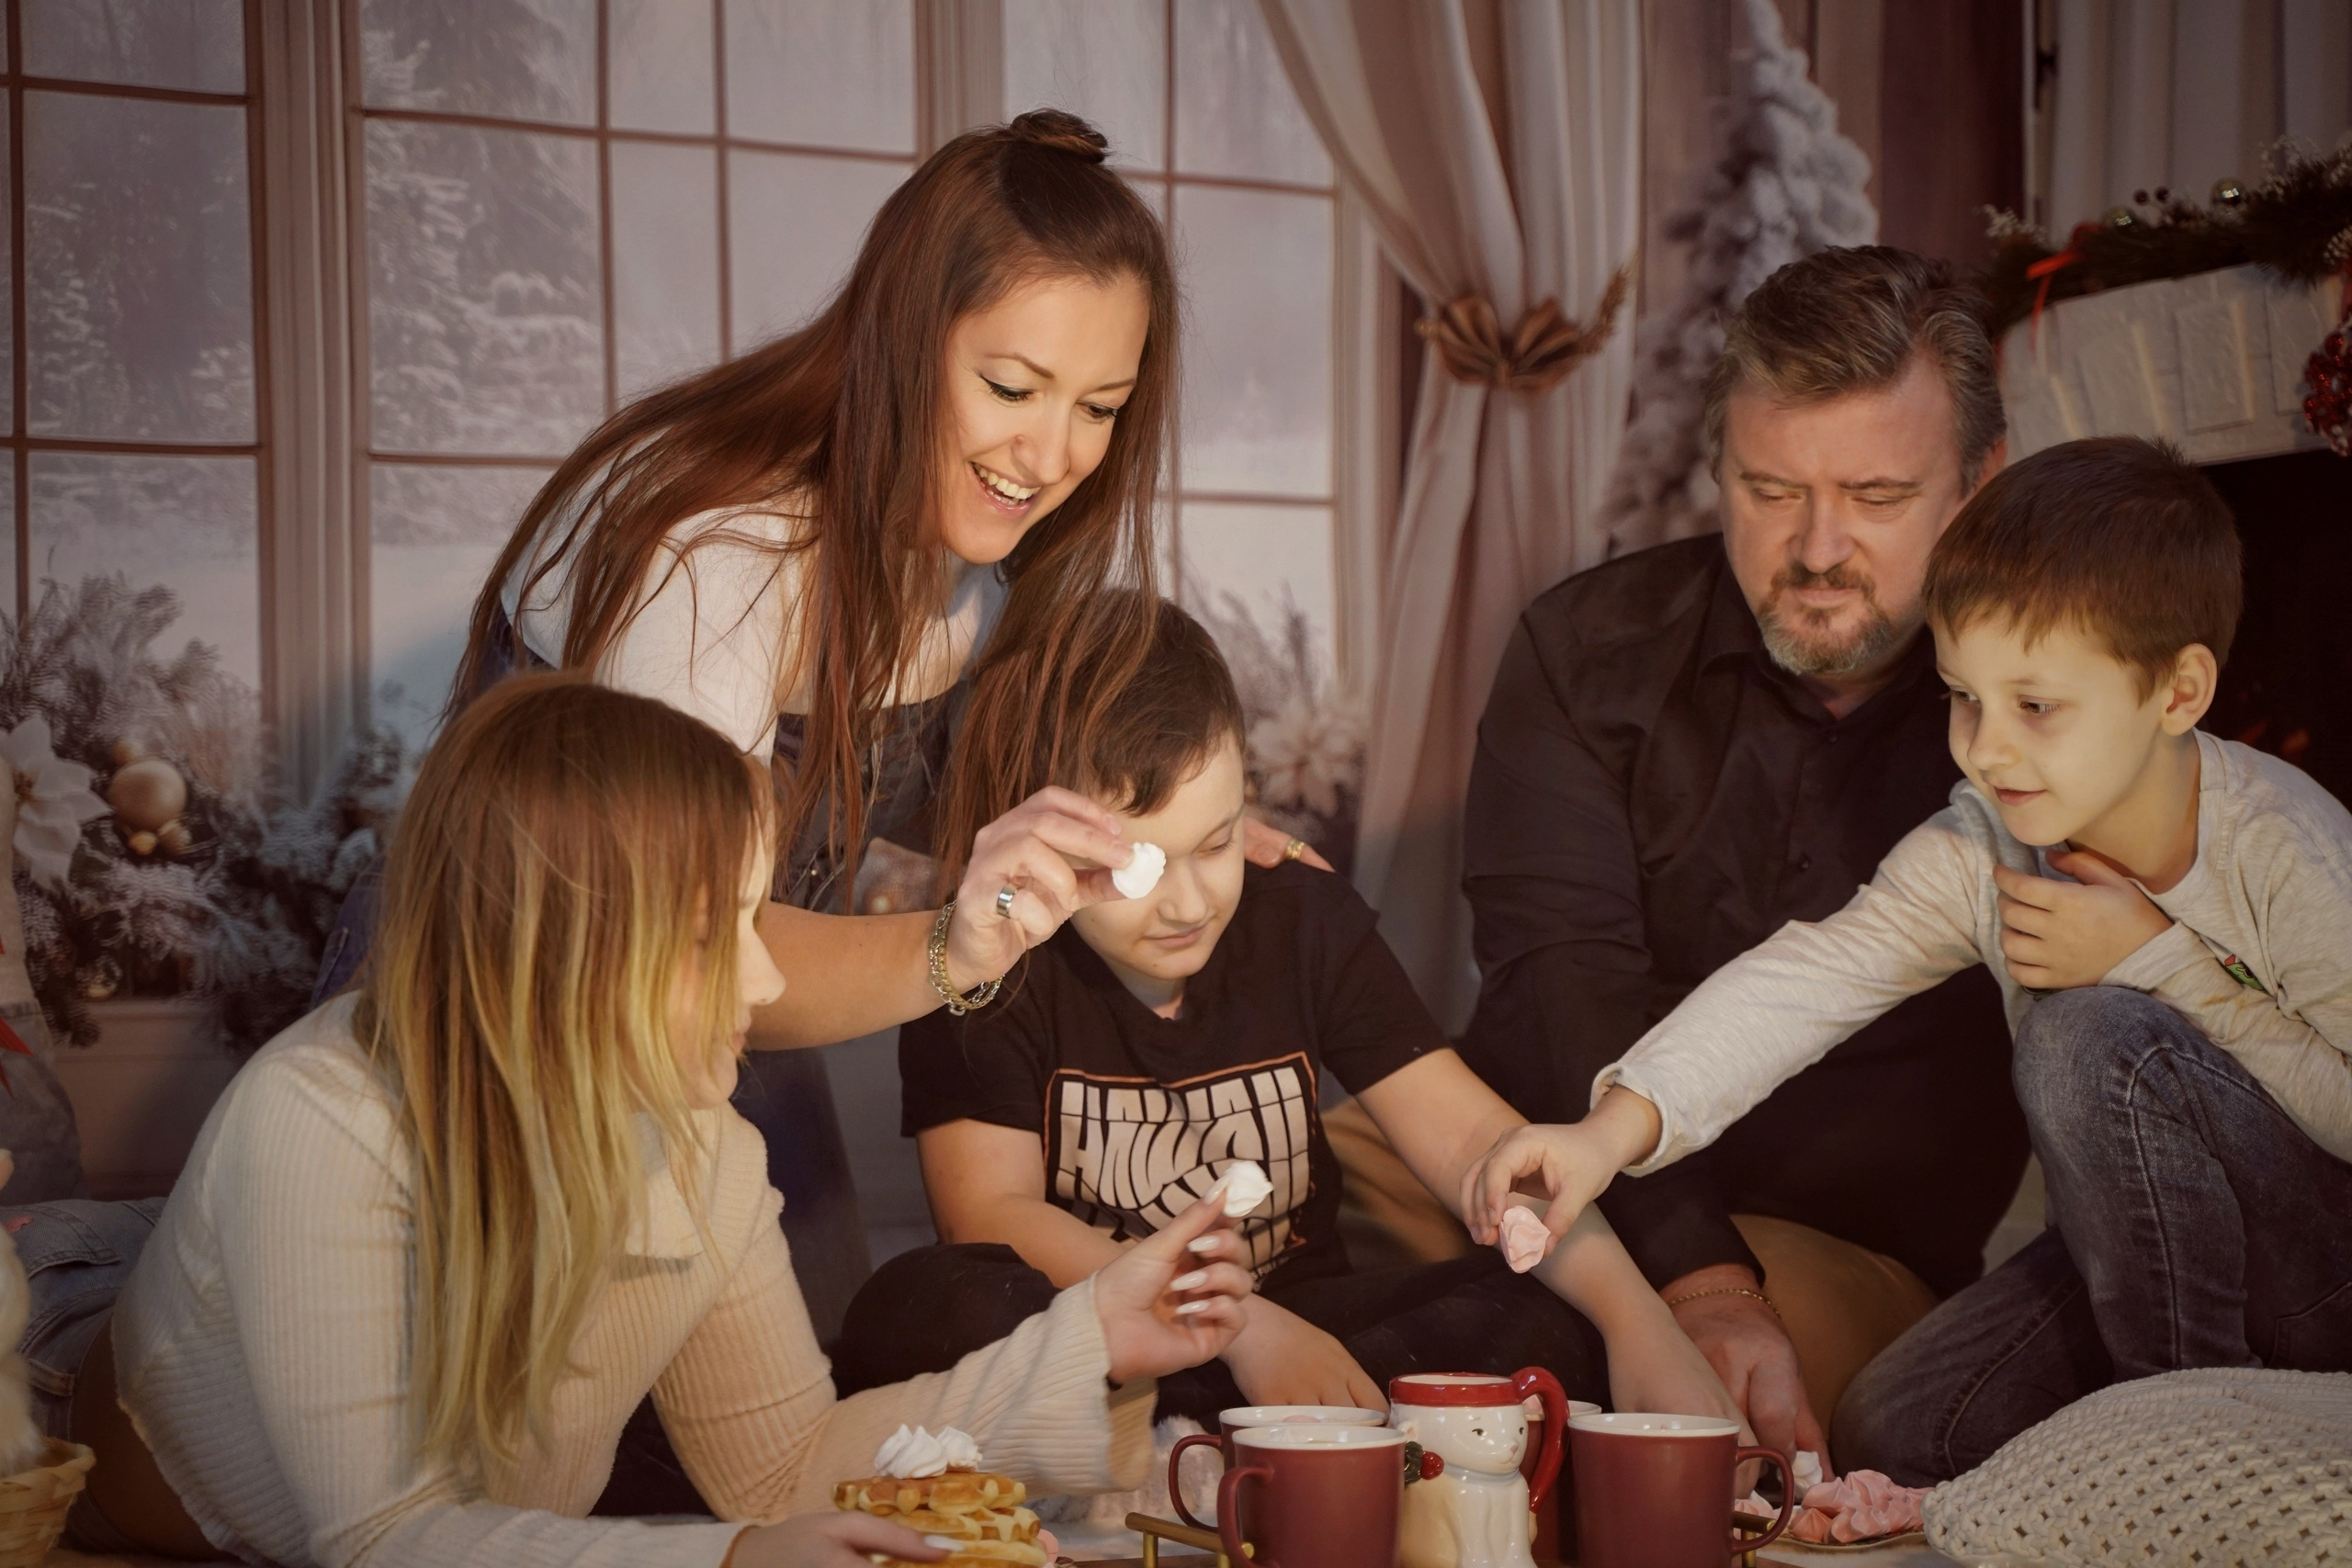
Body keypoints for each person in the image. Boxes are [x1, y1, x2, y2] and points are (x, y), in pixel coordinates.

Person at [21, 674, 1257, 1567]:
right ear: (570, 949)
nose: (767, 985)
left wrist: (1094, 1331)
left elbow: (779, 1468)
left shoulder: (703, 1145)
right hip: (99, 1380)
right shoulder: (321, 1118)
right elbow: (383, 1535)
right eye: (718, 933)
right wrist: (729, 1561)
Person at [1460, 436, 2352, 1482]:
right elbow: (1801, 985)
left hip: (2323, 1264)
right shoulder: (1986, 842)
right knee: (1897, 1429)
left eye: (2035, 707)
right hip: (2142, 1255)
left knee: (2085, 1030)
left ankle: (2177, 1452)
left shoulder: (2281, 845)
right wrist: (1605, 1136)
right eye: (1961, 697)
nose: (1986, 748)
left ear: (2176, 693)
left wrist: (2160, 961)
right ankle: (2157, 1402)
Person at [833, 601, 1739, 1429]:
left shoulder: (1298, 919)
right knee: (925, 1306)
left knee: (1538, 1317)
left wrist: (1639, 1323)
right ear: (1039, 837)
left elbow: (1475, 1147)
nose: (1187, 904)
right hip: (1106, 1338)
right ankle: (1202, 1433)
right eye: (1139, 868)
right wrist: (1237, 1328)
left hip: (1306, 1332)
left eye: (1218, 841)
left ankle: (1189, 1440)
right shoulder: (987, 955)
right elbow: (990, 1217)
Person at [1453, 246, 2020, 1465]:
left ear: (1977, 486)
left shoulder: (2035, 712)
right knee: (1251, 1225)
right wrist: (1696, 1271)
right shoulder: (1583, 648)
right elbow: (1562, 989)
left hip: (1836, 1244)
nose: (1816, 549)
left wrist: (1715, 1282)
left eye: (1876, 495)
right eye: (1770, 488)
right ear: (1716, 466)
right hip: (1513, 1160)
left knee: (1592, 1377)